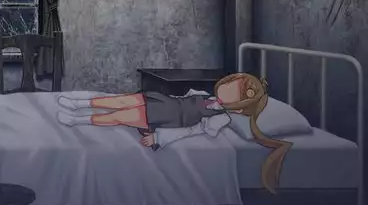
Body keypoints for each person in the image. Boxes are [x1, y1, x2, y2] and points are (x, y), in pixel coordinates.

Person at [56, 73, 292, 194]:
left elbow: (191, 130)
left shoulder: (221, 118)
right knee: (120, 101)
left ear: (240, 108)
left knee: (120, 117)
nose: (226, 87)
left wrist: (159, 138)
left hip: (166, 117)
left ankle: (78, 120)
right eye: (230, 83)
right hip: (165, 102)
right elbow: (184, 98)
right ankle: (79, 104)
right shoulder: (207, 96)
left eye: (233, 91)